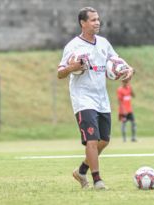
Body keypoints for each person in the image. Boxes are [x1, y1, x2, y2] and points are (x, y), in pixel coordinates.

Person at [57, 7, 134, 190]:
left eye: (98, 19)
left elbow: (117, 62)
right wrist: (72, 67)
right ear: (83, 23)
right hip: (83, 98)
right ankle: (97, 180)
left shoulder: (104, 43)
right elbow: (60, 73)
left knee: (104, 141)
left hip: (102, 98)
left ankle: (81, 171)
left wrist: (129, 70)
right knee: (91, 140)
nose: (97, 22)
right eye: (92, 20)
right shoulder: (73, 46)